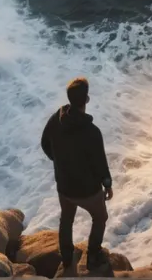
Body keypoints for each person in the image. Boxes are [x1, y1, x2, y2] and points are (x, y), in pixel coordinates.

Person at [41, 77, 113, 271]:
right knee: (100, 218)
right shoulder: (92, 132)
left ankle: (66, 259)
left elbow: (45, 143)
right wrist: (107, 184)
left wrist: (60, 163)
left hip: (64, 187)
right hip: (88, 191)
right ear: (86, 100)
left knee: (66, 219)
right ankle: (93, 256)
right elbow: (100, 164)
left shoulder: (57, 119)